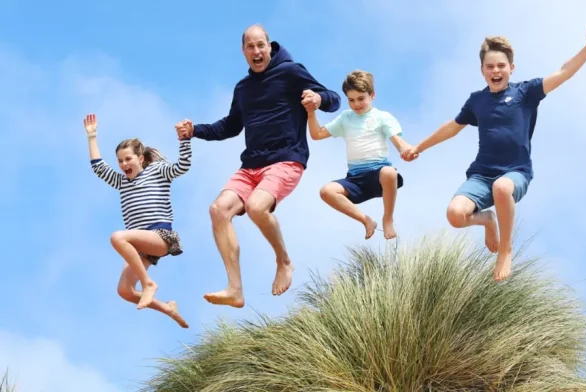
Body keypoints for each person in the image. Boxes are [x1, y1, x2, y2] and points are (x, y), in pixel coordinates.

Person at [401, 18, 586, 281]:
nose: (496, 70)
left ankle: (506, 249)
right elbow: (453, 127)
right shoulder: (477, 100)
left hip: (516, 172)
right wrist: (419, 147)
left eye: (501, 65)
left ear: (511, 68)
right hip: (481, 175)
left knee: (502, 187)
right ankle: (488, 220)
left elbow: (564, 71)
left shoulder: (526, 92)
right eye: (490, 66)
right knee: (455, 215)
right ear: (482, 70)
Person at [175, 24, 341, 307]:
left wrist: (318, 98)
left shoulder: (290, 72)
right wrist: (195, 131)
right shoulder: (243, 88)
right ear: (243, 52)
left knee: (256, 206)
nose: (256, 51)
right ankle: (235, 289)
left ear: (269, 45)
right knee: (218, 210)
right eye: (250, 47)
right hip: (251, 166)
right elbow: (229, 126)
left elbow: (334, 100)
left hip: (286, 159)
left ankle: (284, 261)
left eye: (260, 45)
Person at [84, 113, 192, 328]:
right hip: (142, 245)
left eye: (128, 159)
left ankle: (148, 284)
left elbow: (182, 167)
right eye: (120, 161)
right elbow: (98, 167)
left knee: (117, 237)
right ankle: (168, 309)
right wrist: (92, 137)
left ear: (140, 159)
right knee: (124, 290)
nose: (124, 164)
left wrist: (185, 140)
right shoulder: (121, 181)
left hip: (160, 236)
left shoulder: (157, 171)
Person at [306, 70, 411, 240]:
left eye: (361, 98)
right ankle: (366, 220)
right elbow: (317, 134)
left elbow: (399, 142)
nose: (356, 104)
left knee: (390, 172)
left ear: (372, 95)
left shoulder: (382, 117)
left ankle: (388, 219)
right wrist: (311, 112)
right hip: (355, 178)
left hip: (378, 174)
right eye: (351, 100)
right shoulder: (346, 118)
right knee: (326, 191)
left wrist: (405, 150)